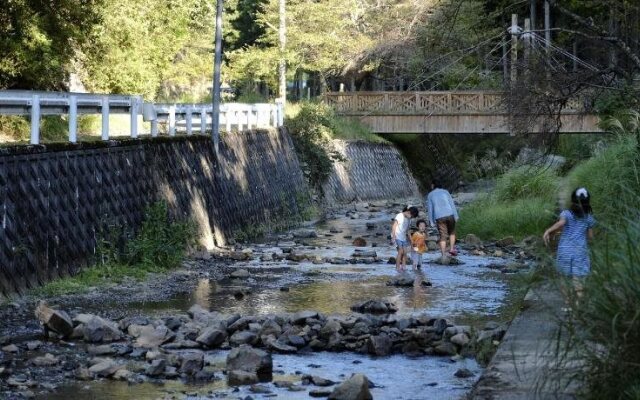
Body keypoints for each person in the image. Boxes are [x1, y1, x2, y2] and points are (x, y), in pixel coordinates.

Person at [543, 187, 595, 297]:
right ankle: (578, 305)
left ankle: (568, 304)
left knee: (564, 279)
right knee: (578, 279)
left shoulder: (566, 214)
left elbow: (561, 224)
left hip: (565, 252)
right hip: (580, 253)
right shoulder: (589, 218)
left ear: (572, 201)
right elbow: (590, 237)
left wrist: (549, 231)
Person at [426, 180, 459, 258]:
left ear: (433, 185)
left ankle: (443, 254)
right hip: (450, 214)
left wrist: (431, 221)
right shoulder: (445, 192)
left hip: (439, 217)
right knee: (452, 232)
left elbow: (430, 209)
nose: (431, 186)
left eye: (431, 185)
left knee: (442, 235)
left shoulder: (430, 195)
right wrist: (456, 216)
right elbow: (451, 204)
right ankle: (451, 249)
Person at [390, 205, 419, 272]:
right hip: (397, 236)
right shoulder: (399, 216)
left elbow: (408, 230)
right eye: (411, 216)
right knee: (400, 251)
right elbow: (394, 226)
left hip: (403, 237)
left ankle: (404, 267)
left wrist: (411, 240)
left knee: (405, 252)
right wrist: (393, 236)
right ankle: (397, 267)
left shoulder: (409, 220)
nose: (411, 218)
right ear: (408, 212)